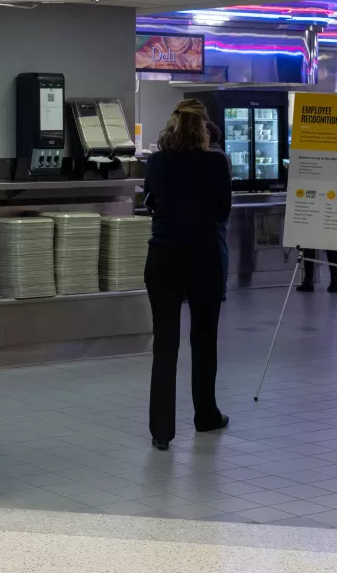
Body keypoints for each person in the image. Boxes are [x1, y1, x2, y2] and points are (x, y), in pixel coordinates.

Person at [142, 99, 231, 450]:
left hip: (162, 256)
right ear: (204, 129)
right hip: (203, 257)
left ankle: (161, 431)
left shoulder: (158, 161)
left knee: (164, 344)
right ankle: (205, 414)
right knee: (204, 339)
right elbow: (223, 210)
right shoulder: (216, 163)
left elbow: (149, 201)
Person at [206, 121, 230, 300]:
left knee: (218, 245)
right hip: (219, 207)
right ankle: (219, 286)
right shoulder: (221, 155)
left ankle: (220, 286)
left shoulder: (214, 156)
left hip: (213, 209)